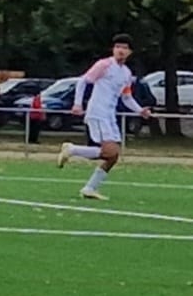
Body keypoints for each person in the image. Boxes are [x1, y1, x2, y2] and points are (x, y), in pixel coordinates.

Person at [58, 34, 150, 201]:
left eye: (124, 48)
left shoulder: (126, 73)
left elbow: (126, 97)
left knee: (113, 156)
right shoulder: (104, 65)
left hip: (110, 115)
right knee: (109, 151)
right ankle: (71, 150)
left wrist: (140, 110)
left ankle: (90, 188)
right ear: (113, 49)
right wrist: (77, 104)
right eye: (117, 47)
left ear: (130, 52)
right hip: (97, 113)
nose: (120, 50)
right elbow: (83, 81)